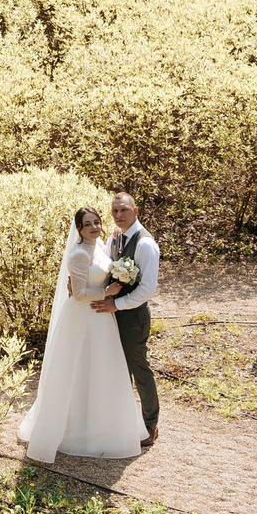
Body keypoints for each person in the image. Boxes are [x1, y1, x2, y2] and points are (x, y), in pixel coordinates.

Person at [15, 207, 150, 464]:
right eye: (87, 224)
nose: (93, 227)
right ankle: (72, 430)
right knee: (75, 371)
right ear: (78, 229)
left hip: (101, 319)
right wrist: (106, 291)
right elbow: (78, 293)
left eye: (96, 222)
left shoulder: (100, 245)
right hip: (82, 317)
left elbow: (106, 256)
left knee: (101, 369)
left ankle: (102, 428)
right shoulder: (77, 254)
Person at [90, 191, 162, 447]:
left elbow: (147, 289)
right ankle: (122, 422)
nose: (119, 215)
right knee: (117, 370)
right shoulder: (115, 238)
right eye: (115, 211)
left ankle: (149, 424)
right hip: (112, 315)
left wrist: (116, 305)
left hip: (133, 317)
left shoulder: (145, 244)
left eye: (124, 210)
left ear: (136, 211)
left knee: (139, 369)